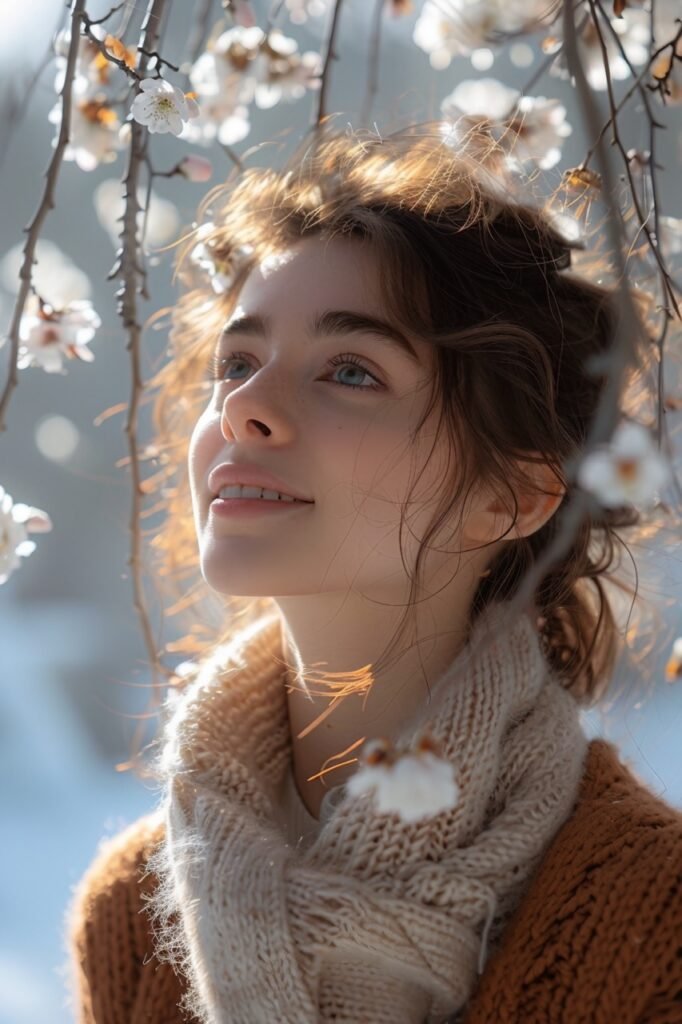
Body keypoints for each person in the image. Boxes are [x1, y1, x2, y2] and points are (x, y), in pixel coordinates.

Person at [64, 123, 681, 1023]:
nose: (244, 408)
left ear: (512, 496)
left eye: (350, 370)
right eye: (236, 364)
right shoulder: (131, 916)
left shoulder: (657, 918)